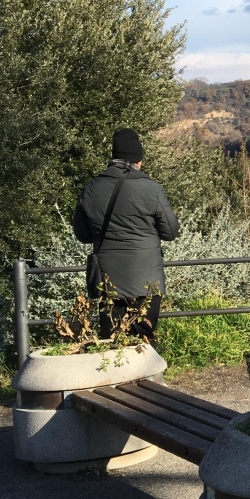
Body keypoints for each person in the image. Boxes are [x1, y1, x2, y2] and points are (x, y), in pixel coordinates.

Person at [73, 128, 180, 342]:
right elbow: (170, 232)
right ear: (138, 160)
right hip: (146, 280)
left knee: (112, 343)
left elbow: (83, 235)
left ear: (114, 158)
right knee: (142, 342)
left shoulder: (91, 188)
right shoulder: (152, 189)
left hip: (107, 281)